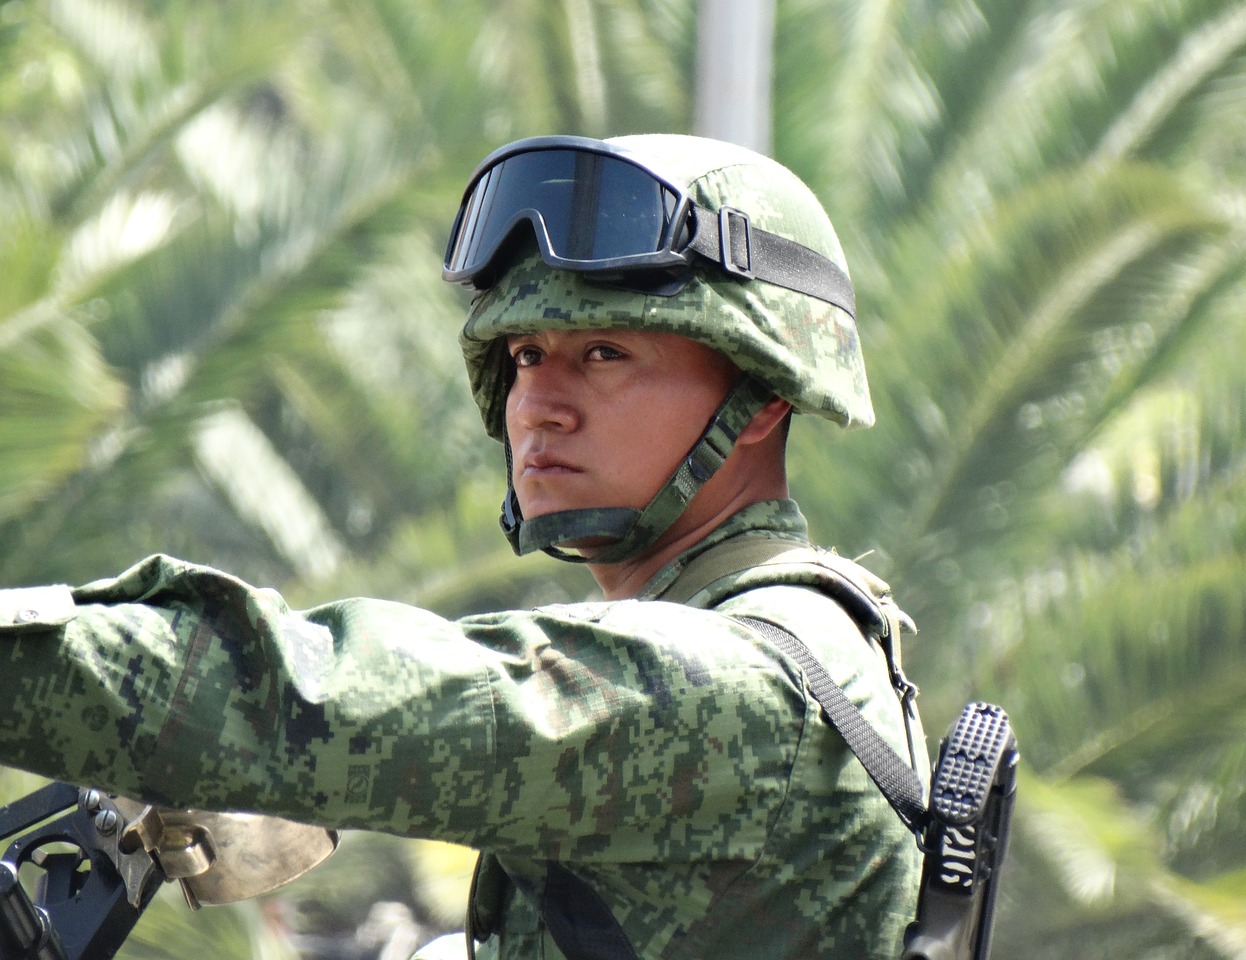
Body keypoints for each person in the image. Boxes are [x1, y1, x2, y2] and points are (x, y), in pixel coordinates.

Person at [0, 134, 926, 959]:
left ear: (763, 396)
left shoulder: (732, 685)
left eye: (605, 354)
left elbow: (304, 699)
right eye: (525, 355)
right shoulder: (797, 645)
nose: (541, 404)